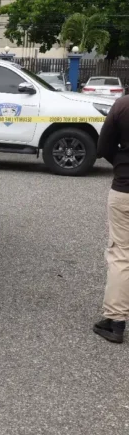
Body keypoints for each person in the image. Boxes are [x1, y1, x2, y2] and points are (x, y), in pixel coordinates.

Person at [94, 94, 129, 343]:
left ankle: (116, 321)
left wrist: (120, 162)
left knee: (121, 254)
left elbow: (103, 148)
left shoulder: (123, 105)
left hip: (125, 189)